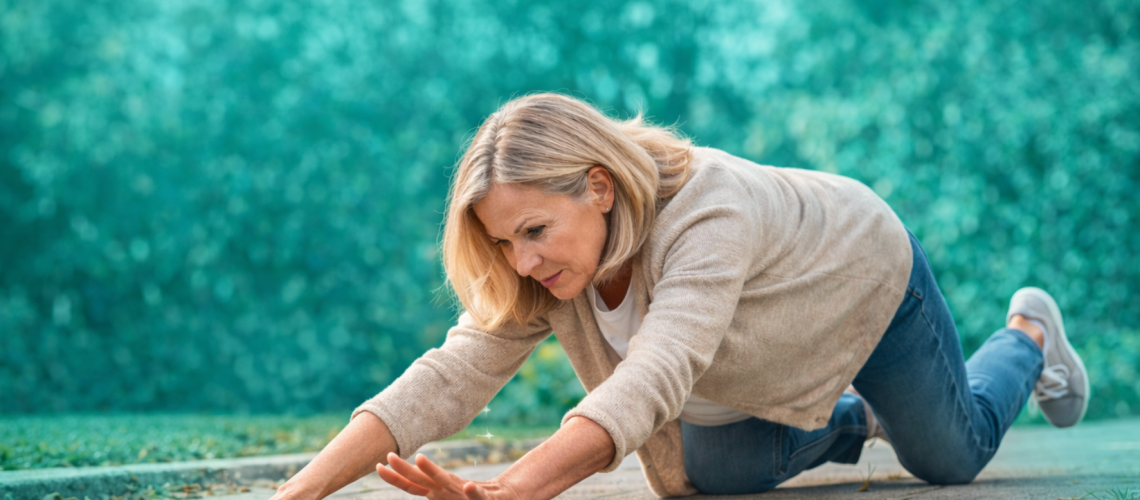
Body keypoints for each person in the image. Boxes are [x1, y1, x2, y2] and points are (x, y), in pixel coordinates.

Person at [269, 93, 1088, 499]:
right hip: (769, 349)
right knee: (710, 473)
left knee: (948, 459)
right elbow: (450, 375)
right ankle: (858, 415)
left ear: (597, 187)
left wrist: (515, 489)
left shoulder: (707, 212)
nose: (521, 261)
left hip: (862, 279)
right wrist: (295, 494)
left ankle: (1027, 336)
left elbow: (657, 373)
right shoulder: (549, 263)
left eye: (533, 231)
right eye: (504, 242)